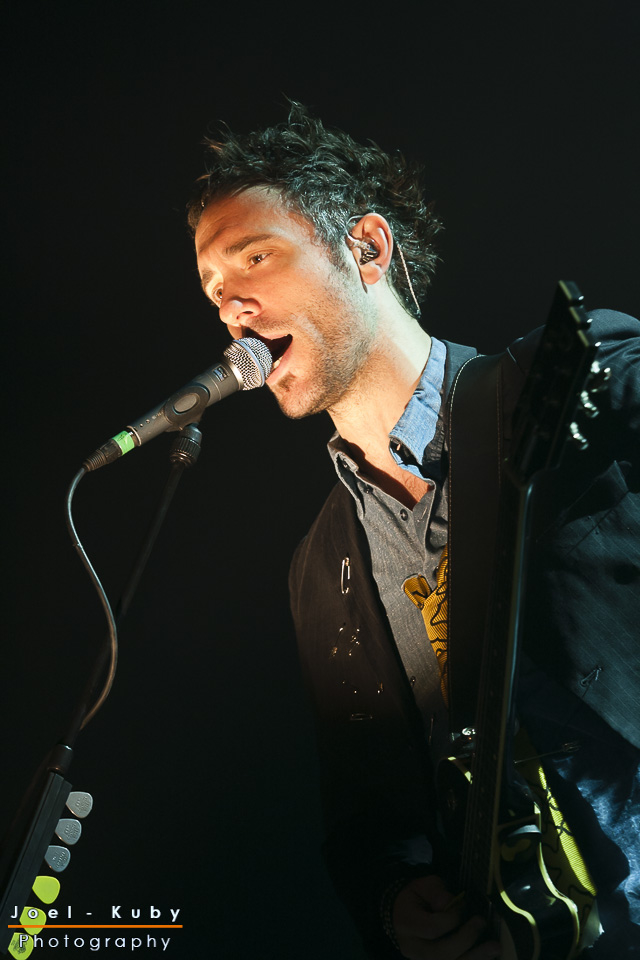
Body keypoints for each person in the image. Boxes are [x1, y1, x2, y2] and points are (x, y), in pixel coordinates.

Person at [187, 103, 640, 958]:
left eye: (254, 257)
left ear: (366, 247)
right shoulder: (319, 571)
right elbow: (368, 811)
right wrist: (396, 901)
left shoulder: (563, 375)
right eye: (214, 290)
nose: (231, 305)